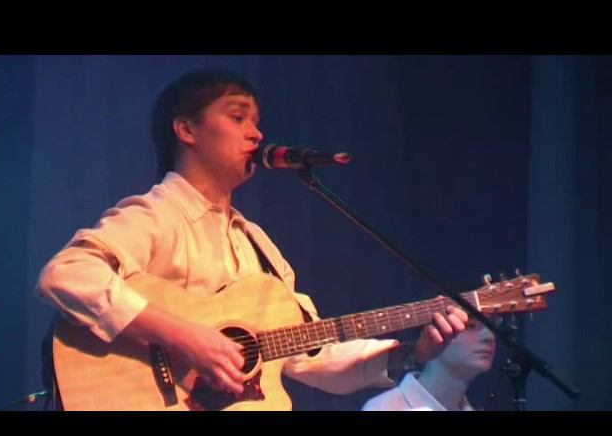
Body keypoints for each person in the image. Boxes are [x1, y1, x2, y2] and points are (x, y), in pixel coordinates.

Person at [37, 69, 468, 410]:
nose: (257, 134)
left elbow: (310, 355)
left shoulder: (256, 244)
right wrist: (185, 338)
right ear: (186, 129)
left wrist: (413, 354)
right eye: (237, 117)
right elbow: (68, 274)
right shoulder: (155, 214)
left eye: (256, 122)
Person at [362, 316, 497, 411]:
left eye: (492, 326)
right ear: (431, 334)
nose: (489, 337)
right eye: (470, 326)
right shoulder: (384, 408)